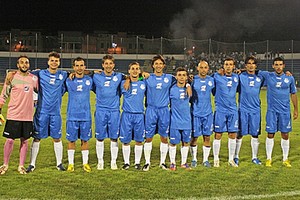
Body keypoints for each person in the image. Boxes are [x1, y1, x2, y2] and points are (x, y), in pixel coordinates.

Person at [26, 51, 68, 172]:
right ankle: (32, 164)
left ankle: (59, 164)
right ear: (48, 62)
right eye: (52, 60)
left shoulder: (63, 74)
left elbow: (77, 75)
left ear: (59, 62)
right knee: (37, 138)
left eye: (56, 61)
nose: (54, 63)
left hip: (56, 113)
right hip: (41, 112)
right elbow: (23, 75)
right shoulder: (40, 73)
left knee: (57, 138)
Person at [0, 55, 38, 175]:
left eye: (26, 62)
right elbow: (4, 95)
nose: (24, 65)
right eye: (22, 62)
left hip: (27, 116)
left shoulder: (34, 79)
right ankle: (5, 164)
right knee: (10, 140)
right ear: (18, 65)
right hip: (13, 114)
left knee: (25, 141)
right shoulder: (12, 77)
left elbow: (38, 92)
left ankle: (21, 166)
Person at [260, 57, 298, 167]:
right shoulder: (268, 76)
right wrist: (240, 70)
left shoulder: (289, 78)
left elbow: (293, 94)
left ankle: (285, 159)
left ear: (284, 65)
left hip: (285, 111)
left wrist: (296, 109)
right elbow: (253, 70)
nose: (278, 66)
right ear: (273, 66)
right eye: (276, 64)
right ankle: (268, 158)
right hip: (272, 111)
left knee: (285, 134)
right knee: (270, 134)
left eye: (280, 64)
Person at [142, 55, 176, 171]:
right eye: (156, 64)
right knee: (148, 137)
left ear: (163, 65)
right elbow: (134, 78)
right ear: (153, 65)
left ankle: (162, 162)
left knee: (164, 137)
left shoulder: (170, 78)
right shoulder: (147, 78)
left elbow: (183, 79)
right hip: (151, 110)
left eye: (160, 63)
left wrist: (187, 85)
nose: (158, 66)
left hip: (164, 110)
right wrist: (140, 75)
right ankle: (147, 162)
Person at [93, 54, 124, 170]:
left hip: (114, 111)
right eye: (106, 63)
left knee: (114, 137)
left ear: (114, 65)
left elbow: (134, 77)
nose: (108, 66)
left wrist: (142, 76)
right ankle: (100, 161)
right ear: (102, 65)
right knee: (100, 137)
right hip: (101, 110)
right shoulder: (96, 77)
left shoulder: (119, 76)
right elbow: (83, 74)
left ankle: (113, 161)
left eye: (110, 63)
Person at [233, 56, 264, 166]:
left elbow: (272, 75)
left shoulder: (260, 77)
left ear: (255, 66)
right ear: (245, 65)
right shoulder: (240, 77)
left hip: (255, 110)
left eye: (253, 63)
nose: (251, 65)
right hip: (243, 110)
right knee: (239, 134)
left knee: (255, 134)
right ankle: (236, 156)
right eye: (249, 63)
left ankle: (254, 157)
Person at [65, 57, 93, 172]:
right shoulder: (68, 80)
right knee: (71, 140)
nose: (79, 68)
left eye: (81, 65)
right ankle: (71, 164)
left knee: (84, 140)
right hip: (72, 115)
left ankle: (85, 163)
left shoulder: (90, 80)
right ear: (73, 67)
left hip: (85, 116)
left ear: (85, 67)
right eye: (77, 65)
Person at [212, 57, 239, 167]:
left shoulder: (237, 77)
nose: (228, 66)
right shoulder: (216, 76)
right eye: (226, 64)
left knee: (232, 134)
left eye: (230, 64)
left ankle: (231, 159)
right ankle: (216, 159)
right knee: (218, 134)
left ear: (233, 66)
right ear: (223, 66)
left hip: (233, 110)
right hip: (220, 110)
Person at [120, 62, 146, 170]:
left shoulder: (144, 83)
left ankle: (137, 162)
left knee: (139, 140)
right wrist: (127, 79)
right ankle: (126, 163)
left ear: (139, 71)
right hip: (127, 115)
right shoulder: (123, 83)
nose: (135, 70)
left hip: (139, 115)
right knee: (126, 140)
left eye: (137, 69)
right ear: (129, 71)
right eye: (132, 69)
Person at [190, 60, 214, 168]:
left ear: (208, 69)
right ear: (197, 68)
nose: (203, 70)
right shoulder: (193, 80)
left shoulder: (211, 80)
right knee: (194, 137)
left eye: (205, 67)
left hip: (208, 113)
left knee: (207, 137)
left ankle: (205, 160)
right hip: (195, 113)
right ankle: (194, 159)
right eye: (201, 67)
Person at [169, 67, 192, 170]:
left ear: (186, 77)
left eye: (184, 75)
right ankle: (172, 162)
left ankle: (183, 162)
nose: (182, 77)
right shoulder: (172, 89)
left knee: (186, 142)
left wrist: (188, 85)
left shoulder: (190, 89)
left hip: (187, 120)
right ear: (176, 77)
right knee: (173, 142)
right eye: (179, 75)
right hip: (175, 120)